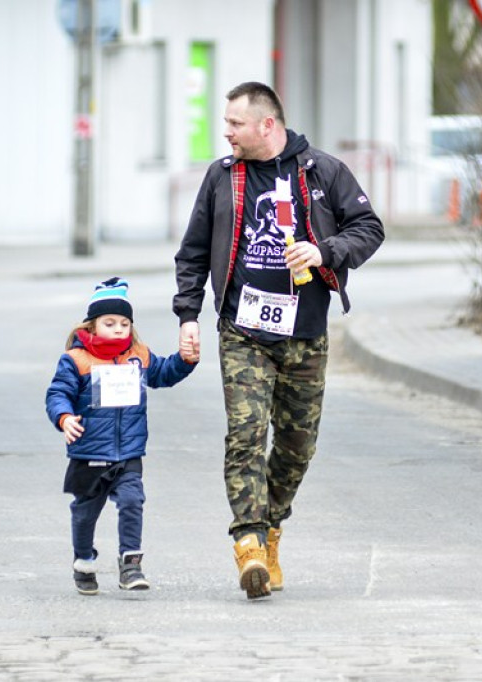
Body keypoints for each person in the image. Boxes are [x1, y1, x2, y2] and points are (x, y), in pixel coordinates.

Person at [173, 82, 385, 599]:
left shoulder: (323, 172)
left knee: (296, 447)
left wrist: (325, 251)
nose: (226, 132)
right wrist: (188, 315)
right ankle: (247, 542)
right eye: (226, 123)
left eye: (235, 124)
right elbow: (194, 251)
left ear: (267, 125)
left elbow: (369, 227)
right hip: (243, 331)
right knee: (245, 435)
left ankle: (269, 530)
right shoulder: (222, 178)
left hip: (305, 335)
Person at [46, 277, 197, 595]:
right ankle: (83, 560)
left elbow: (163, 373)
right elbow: (58, 393)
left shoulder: (138, 355)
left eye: (124, 323)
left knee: (132, 501)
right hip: (89, 452)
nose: (118, 329)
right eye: (109, 322)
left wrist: (185, 361)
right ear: (92, 325)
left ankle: (131, 564)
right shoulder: (76, 360)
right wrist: (65, 418)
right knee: (85, 512)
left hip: (128, 451)